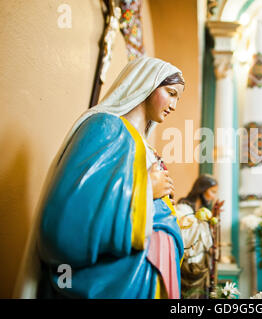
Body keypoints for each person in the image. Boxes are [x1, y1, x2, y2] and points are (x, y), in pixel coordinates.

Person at [36, 56, 185, 299]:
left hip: (145, 278)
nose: (174, 105)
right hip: (116, 281)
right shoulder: (106, 126)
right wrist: (146, 189)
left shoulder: (143, 146)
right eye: (170, 93)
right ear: (146, 84)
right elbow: (67, 219)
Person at [175, 175, 224, 298]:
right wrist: (201, 222)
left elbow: (206, 240)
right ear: (202, 189)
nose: (213, 196)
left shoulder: (203, 211)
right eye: (212, 192)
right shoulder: (183, 208)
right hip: (188, 265)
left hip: (202, 263)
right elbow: (185, 238)